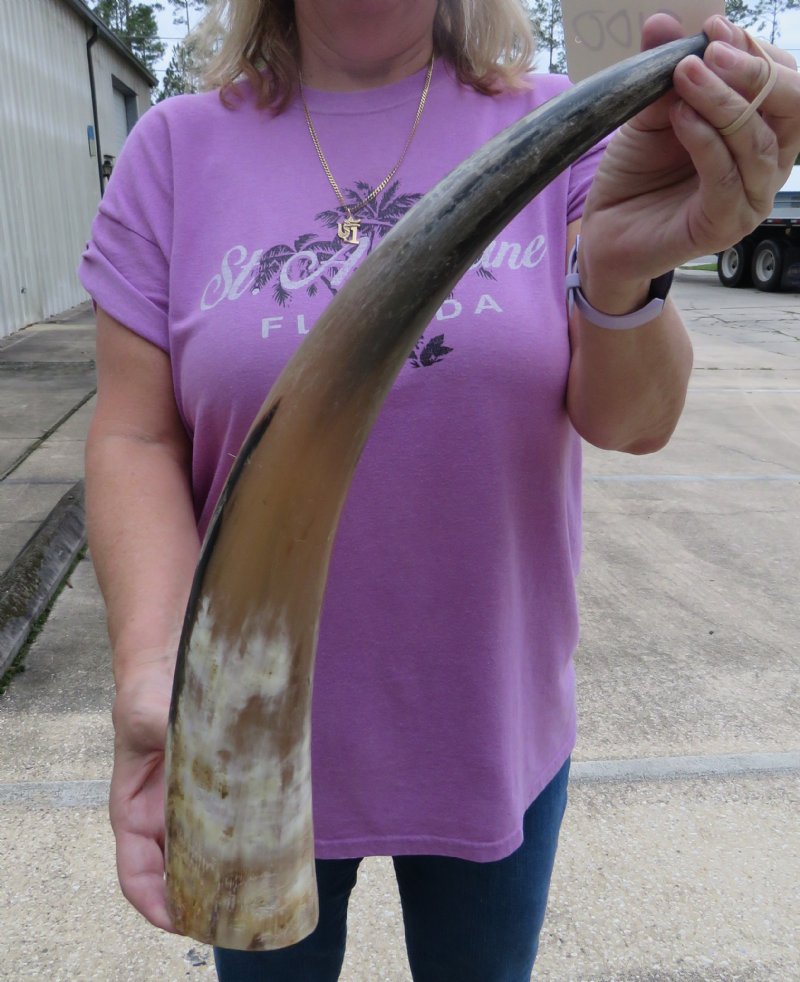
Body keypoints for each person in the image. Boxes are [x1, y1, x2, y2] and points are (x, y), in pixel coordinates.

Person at [79, 1, 800, 979]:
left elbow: (631, 421)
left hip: (490, 729)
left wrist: (622, 273)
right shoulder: (174, 149)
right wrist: (155, 668)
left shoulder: (566, 127)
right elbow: (132, 433)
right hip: (243, 741)